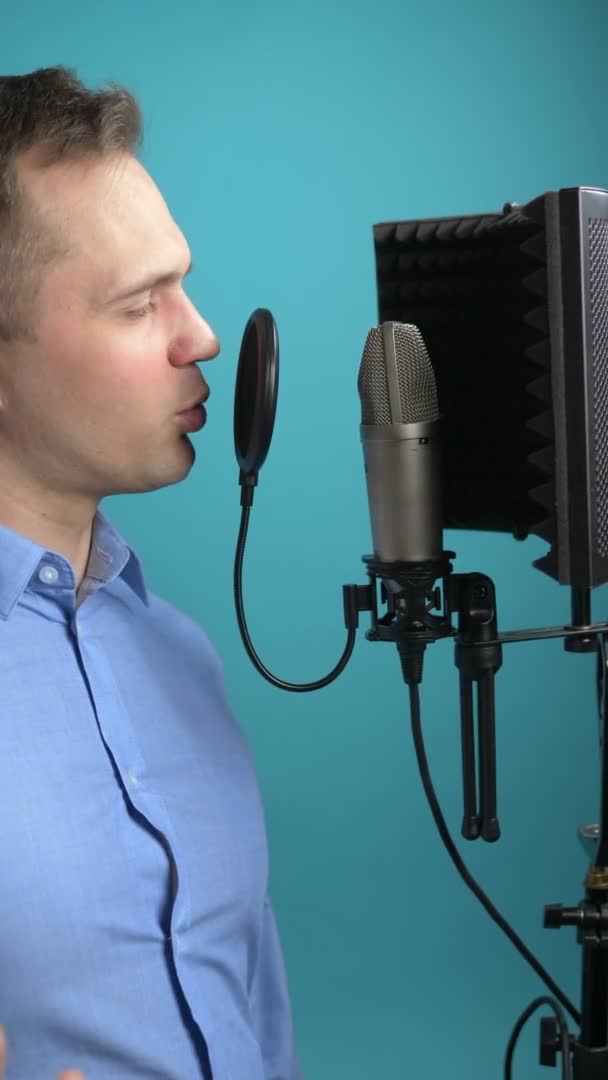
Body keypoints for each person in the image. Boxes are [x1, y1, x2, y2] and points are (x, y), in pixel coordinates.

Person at [0, 67, 300, 1080]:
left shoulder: (181, 658)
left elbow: (254, 1014)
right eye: (140, 306)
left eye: (182, 284)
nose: (203, 337)